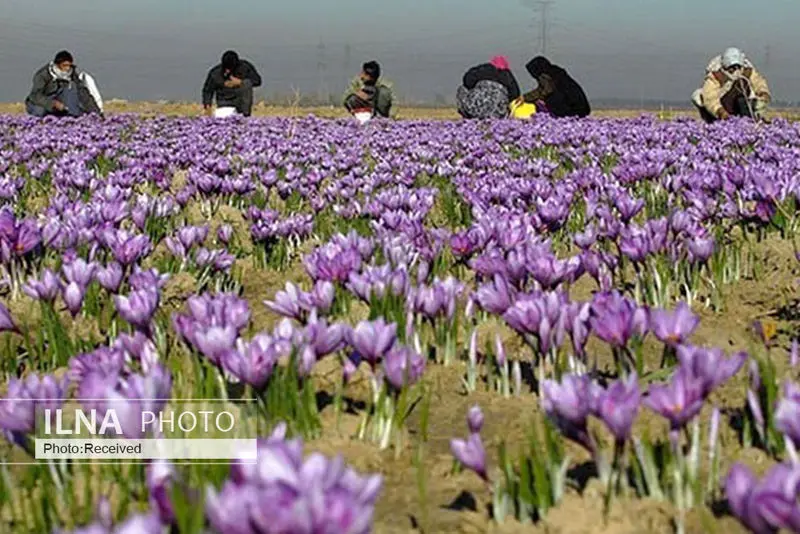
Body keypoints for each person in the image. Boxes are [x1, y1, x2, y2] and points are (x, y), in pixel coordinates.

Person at [691, 47, 770, 123]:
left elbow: (758, 82)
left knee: (741, 84)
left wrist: (763, 94)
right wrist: (720, 111)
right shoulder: (716, 75)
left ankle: (748, 118)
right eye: (731, 67)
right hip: (721, 105)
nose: (734, 70)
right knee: (698, 96)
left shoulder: (746, 71)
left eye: (737, 66)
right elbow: (710, 97)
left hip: (742, 102)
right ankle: (714, 121)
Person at [25, 50, 103, 118]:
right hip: (42, 101)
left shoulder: (71, 74)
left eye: (69, 65)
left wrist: (96, 112)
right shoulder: (43, 75)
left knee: (74, 95)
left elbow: (83, 93)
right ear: (57, 65)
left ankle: (69, 117)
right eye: (64, 66)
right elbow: (35, 95)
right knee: (39, 112)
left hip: (60, 99)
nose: (68, 69)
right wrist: (53, 103)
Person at [518, 56, 590, 118]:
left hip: (572, 110)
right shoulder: (557, 73)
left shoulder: (545, 75)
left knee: (547, 99)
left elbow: (546, 90)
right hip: (583, 109)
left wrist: (525, 98)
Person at [456, 56, 520, 119]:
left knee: (462, 89)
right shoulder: (506, 74)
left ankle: (467, 116)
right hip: (497, 113)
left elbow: (467, 81)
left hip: (474, 109)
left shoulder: (482, 69)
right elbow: (515, 94)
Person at [202, 51, 262, 117]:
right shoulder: (215, 73)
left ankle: (246, 115)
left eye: (230, 68)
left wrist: (240, 82)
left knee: (247, 83)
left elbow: (257, 81)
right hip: (224, 102)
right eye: (226, 68)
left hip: (241, 101)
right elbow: (207, 90)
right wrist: (207, 105)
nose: (228, 71)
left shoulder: (245, 67)